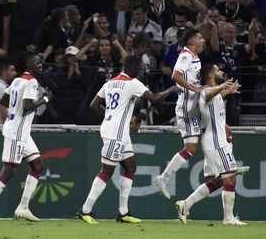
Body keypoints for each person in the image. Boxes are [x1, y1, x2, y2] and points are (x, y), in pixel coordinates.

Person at [76, 55, 179, 224]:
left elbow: (93, 105)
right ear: (131, 68)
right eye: (139, 68)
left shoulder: (109, 83)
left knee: (130, 167)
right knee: (106, 171)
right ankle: (85, 210)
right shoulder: (133, 83)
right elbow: (153, 98)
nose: (140, 71)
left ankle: (123, 213)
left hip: (118, 132)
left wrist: (110, 117)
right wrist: (170, 90)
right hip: (115, 133)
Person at [0, 52, 53, 222]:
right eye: (38, 63)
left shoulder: (17, 80)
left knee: (38, 166)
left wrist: (13, 115)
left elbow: (3, 101)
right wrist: (46, 98)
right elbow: (27, 106)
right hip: (17, 131)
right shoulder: (32, 81)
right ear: (29, 65)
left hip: (21, 131)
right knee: (8, 170)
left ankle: (23, 207)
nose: (41, 65)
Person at [175, 63, 247, 225]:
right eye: (218, 70)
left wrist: (227, 91)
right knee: (229, 179)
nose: (221, 71)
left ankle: (185, 204)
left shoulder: (216, 93)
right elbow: (208, 95)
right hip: (216, 142)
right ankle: (228, 218)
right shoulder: (205, 90)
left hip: (216, 141)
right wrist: (222, 87)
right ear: (211, 75)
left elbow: (216, 96)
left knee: (217, 182)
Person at [154, 28, 205, 199]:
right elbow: (176, 75)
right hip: (186, 107)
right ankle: (164, 177)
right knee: (191, 147)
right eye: (200, 37)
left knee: (217, 131)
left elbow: (188, 80)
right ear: (191, 41)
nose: (203, 39)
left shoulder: (194, 56)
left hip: (195, 105)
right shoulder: (186, 55)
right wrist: (194, 88)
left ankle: (226, 168)